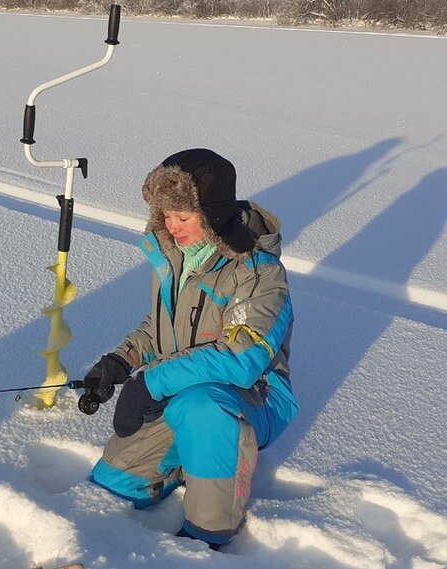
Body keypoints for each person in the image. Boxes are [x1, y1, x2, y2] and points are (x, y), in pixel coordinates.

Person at [81, 148, 299, 550]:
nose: (172, 226)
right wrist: (120, 361)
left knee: (200, 408)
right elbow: (161, 328)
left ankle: (207, 533)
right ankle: (190, 460)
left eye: (183, 217)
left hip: (255, 397)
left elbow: (243, 359)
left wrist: (150, 384)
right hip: (180, 386)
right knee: (113, 482)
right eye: (165, 215)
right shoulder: (176, 257)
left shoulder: (259, 272)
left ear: (213, 216)